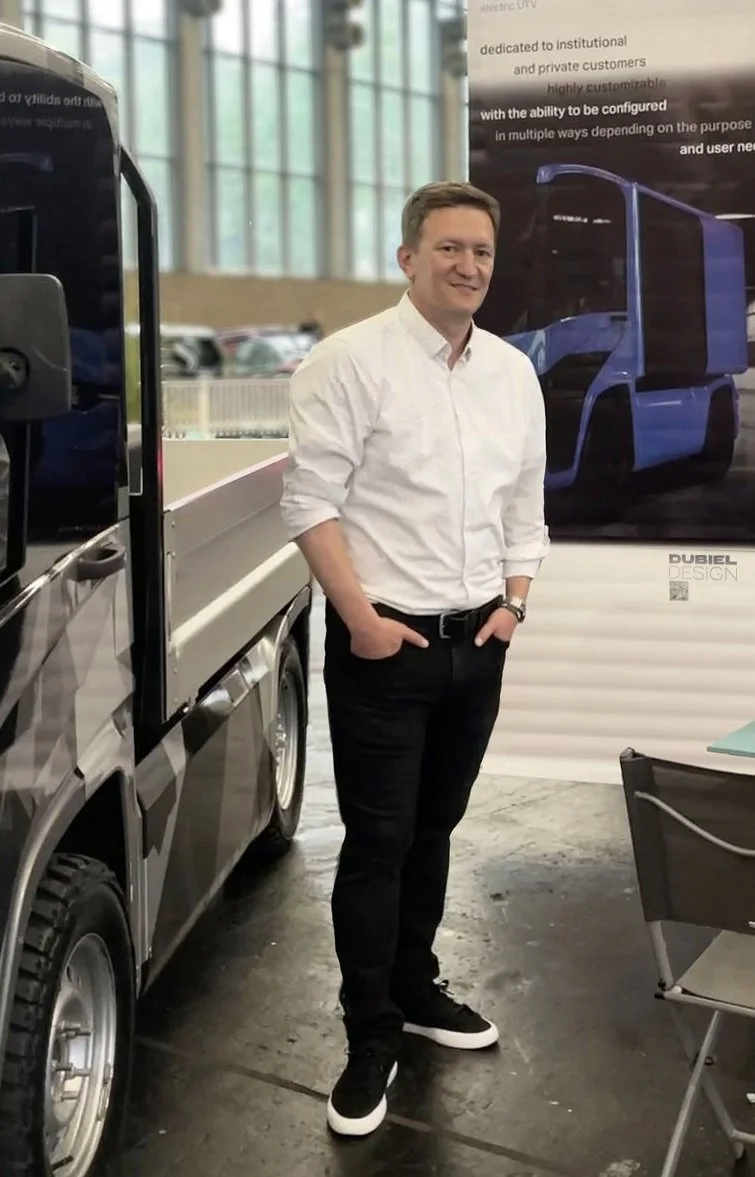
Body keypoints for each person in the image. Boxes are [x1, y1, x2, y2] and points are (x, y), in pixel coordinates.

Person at [280, 180, 549, 1138]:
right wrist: (358, 619)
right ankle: (369, 1034)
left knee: (434, 828)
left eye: (481, 251)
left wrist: (513, 605)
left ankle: (415, 985)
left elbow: (524, 506)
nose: (468, 265)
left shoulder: (512, 372)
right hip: (384, 649)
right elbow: (308, 501)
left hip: (478, 643)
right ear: (407, 257)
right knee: (376, 843)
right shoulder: (349, 361)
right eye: (449, 248)